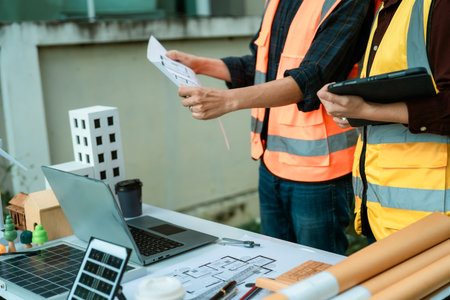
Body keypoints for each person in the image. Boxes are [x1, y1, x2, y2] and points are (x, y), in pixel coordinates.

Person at [167, 0, 373, 254]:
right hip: (270, 161)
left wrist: (227, 101)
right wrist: (198, 65)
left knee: (317, 275)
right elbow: (261, 66)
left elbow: (311, 78)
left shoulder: (346, 2)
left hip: (318, 171)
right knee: (276, 264)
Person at [317, 0, 450, 241]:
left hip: (428, 219)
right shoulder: (384, 10)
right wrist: (353, 110)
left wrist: (367, 110)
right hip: (379, 210)